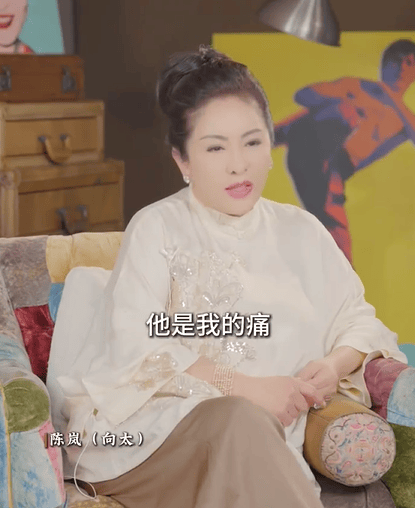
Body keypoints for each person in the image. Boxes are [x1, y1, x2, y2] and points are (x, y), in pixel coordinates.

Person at [47, 45, 407, 508]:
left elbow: (357, 320)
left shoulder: (302, 231)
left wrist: (333, 366)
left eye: (252, 142)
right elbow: (137, 348)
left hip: (262, 440)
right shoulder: (157, 226)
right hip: (150, 439)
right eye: (215, 147)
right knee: (241, 421)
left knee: (246, 433)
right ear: (182, 161)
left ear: (271, 146)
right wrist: (250, 389)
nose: (239, 164)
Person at [273, 39, 415, 263]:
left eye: (411, 62)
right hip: (310, 146)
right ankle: (273, 135)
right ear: (386, 63)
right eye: (399, 60)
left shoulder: (405, 121)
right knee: (345, 110)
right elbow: (303, 95)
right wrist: (343, 98)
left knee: (341, 258)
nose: (404, 67)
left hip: (332, 174)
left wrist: (390, 97)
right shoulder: (356, 87)